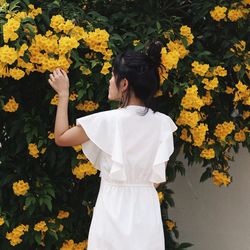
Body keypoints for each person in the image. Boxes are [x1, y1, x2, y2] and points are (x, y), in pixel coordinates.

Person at [48, 41, 177, 250]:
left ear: (124, 83)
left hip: (113, 206)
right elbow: (156, 179)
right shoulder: (163, 124)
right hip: (146, 209)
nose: (109, 80)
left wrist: (63, 94)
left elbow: (61, 137)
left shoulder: (107, 121)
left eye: (112, 75)